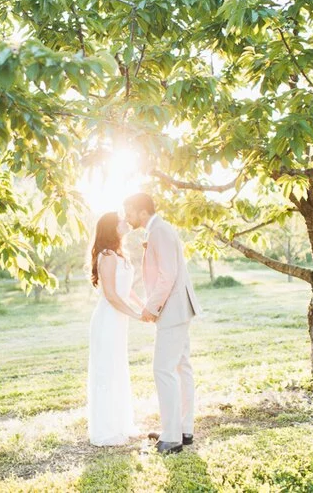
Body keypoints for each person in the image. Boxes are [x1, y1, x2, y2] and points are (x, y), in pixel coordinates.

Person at [123, 193, 202, 454]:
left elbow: (168, 275)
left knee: (163, 370)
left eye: (129, 211)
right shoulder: (158, 230)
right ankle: (183, 429)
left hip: (172, 309)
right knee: (181, 368)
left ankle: (172, 438)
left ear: (142, 211)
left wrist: (151, 307)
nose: (127, 217)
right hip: (178, 308)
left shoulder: (159, 231)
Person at [87, 212, 142, 446]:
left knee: (118, 367)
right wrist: (135, 314)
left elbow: (125, 288)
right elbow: (110, 294)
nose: (125, 222)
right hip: (109, 317)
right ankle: (106, 430)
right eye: (120, 220)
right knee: (106, 370)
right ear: (112, 227)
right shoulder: (107, 255)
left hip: (120, 318)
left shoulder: (119, 254)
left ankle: (121, 423)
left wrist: (143, 305)